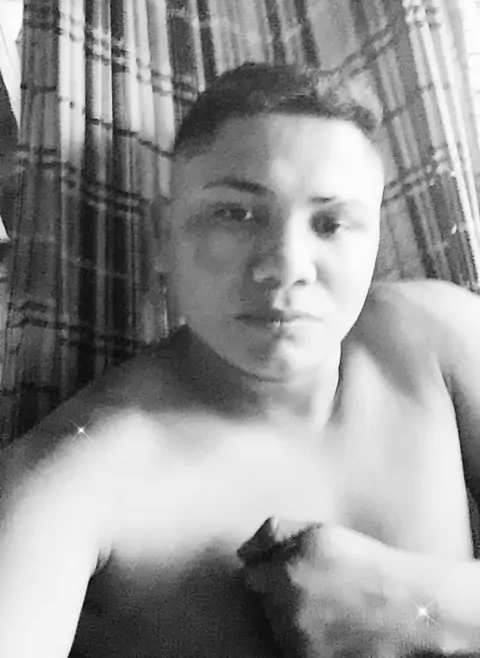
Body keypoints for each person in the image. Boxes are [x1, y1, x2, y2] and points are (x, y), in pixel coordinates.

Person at [1, 62, 480, 658]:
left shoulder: (437, 339)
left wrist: (414, 604)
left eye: (331, 223)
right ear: (162, 236)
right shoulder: (75, 480)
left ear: (376, 240)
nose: (286, 266)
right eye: (236, 214)